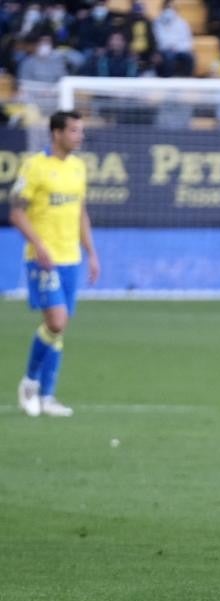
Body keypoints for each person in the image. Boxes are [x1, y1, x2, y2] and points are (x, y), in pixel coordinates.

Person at [13, 110, 99, 418]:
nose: (81, 136)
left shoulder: (78, 168)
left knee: (58, 330)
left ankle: (47, 397)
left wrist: (91, 252)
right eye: (75, 131)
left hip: (70, 258)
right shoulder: (34, 166)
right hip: (43, 259)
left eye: (81, 131)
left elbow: (80, 213)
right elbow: (17, 213)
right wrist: (38, 246)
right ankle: (30, 383)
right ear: (57, 133)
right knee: (56, 322)